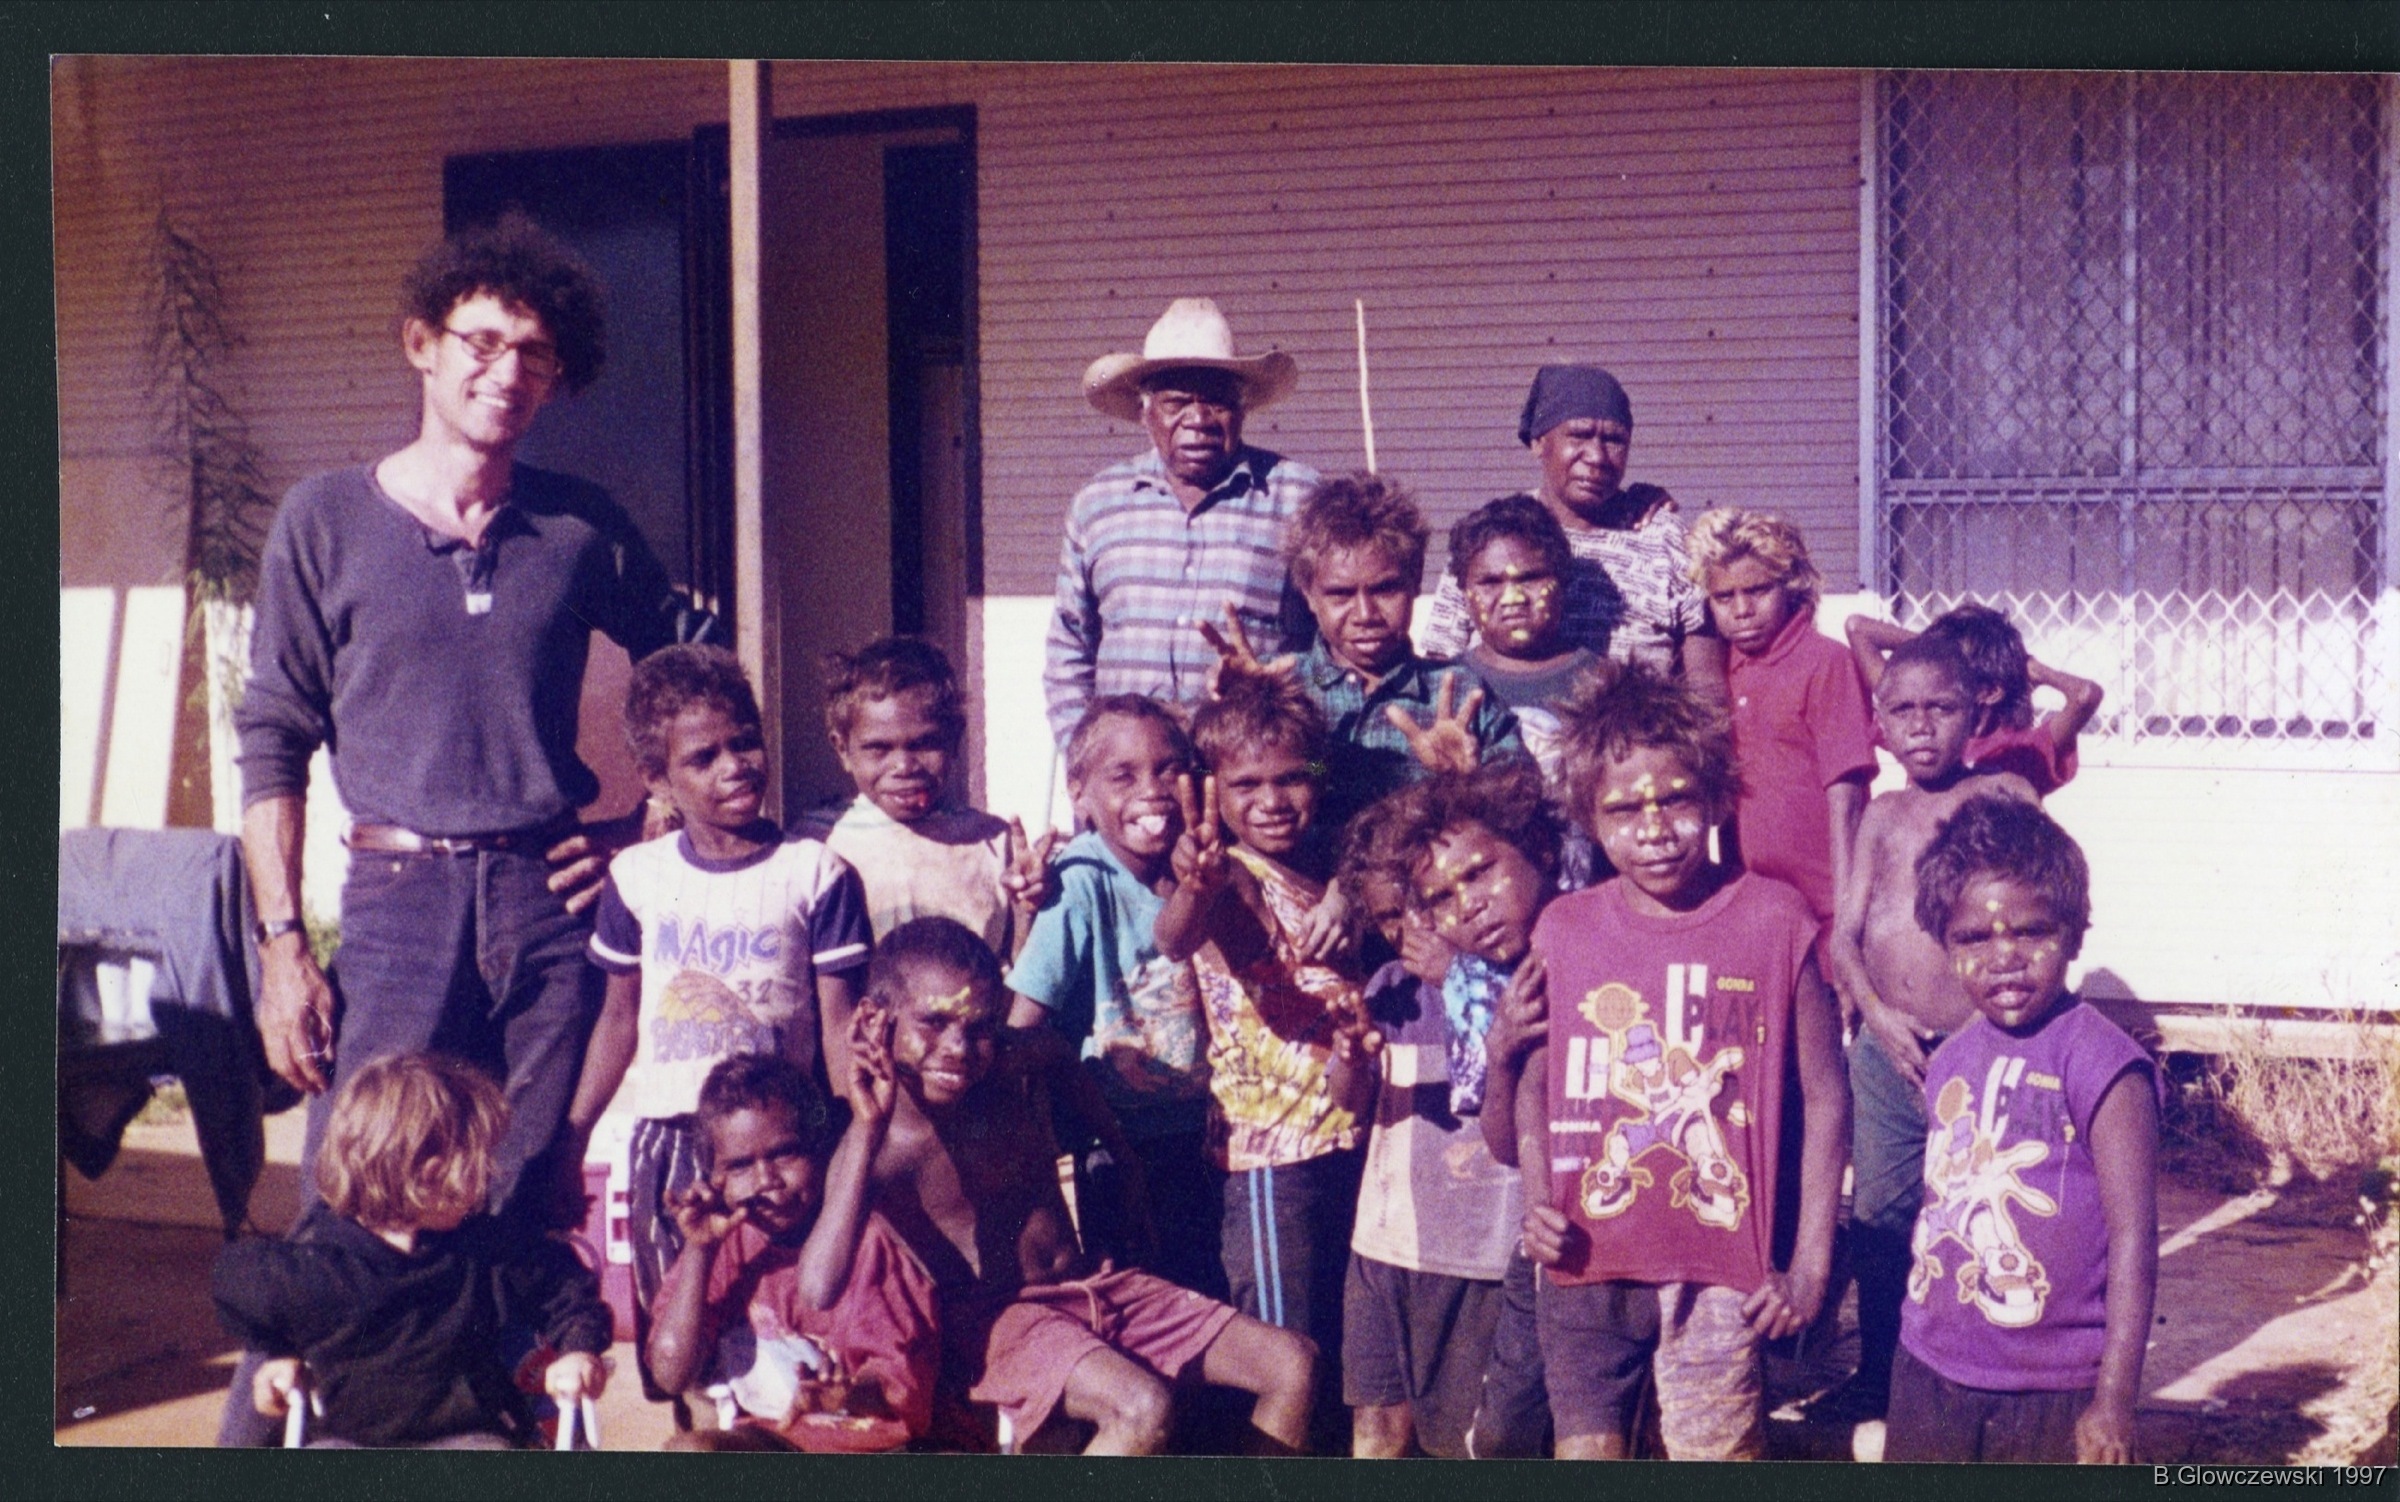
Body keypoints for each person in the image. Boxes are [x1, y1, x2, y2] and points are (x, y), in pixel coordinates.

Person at [234, 214, 710, 1226]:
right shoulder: (324, 521)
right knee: (355, 1198)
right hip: (397, 903)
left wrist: (648, 823)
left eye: (535, 354)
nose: (508, 373)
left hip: (547, 904)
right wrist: (281, 948)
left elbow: (695, 667)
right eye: (483, 342)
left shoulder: (578, 528)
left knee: (522, 1198)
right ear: (423, 343)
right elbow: (273, 737)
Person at [1486, 667, 1847, 1460]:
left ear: (1716, 799)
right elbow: (1538, 1088)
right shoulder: (1564, 929)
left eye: (1676, 800)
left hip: (1722, 1270)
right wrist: (1539, 1199)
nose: (1654, 829)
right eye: (1623, 809)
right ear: (1589, 816)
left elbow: (1827, 1099)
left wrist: (1810, 1266)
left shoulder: (1774, 918)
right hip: (1584, 1262)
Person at [803, 918, 1321, 1455]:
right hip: (998, 1323)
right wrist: (867, 1124)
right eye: (933, 1023)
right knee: (1141, 1408)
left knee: (1293, 1365)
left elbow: (1056, 1052)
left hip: (1092, 1287)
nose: (958, 1046)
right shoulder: (877, 1143)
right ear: (874, 1019)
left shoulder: (1003, 1065)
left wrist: (1125, 1160)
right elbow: (818, 1288)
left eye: (978, 1026)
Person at [562, 644, 874, 1398]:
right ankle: (696, 1445)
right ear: (657, 780)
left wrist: (853, 1137)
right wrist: (573, 1134)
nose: (734, 766)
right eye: (703, 758)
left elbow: (838, 1026)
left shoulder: (816, 872)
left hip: (779, 1144)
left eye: (745, 742)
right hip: (672, 1145)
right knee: (683, 1341)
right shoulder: (637, 878)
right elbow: (617, 1021)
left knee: (781, 1328)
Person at [1885, 798, 2157, 1465]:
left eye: (2031, 932)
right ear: (1944, 946)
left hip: (2053, 1390)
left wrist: (2115, 1399)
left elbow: (2134, 1239)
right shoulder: (1949, 1061)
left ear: (2074, 934)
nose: (2004, 957)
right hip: (1929, 1371)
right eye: (1974, 939)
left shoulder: (2105, 1066)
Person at [1819, 634, 2038, 1421]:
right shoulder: (1881, 815)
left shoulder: (2007, 796)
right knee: (1882, 1216)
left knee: (1985, 1212)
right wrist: (1878, 1018)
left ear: (1974, 713)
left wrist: (1992, 1026)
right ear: (1878, 724)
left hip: (1985, 1050)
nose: (1921, 725)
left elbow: (2037, 917)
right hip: (1890, 1056)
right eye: (1903, 710)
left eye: (1940, 708)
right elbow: (1844, 938)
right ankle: (1880, 1374)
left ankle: (1986, 1376)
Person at [211, 1053, 611, 1448]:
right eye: (475, 1165)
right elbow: (237, 1283)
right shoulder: (324, 1258)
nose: (486, 1178)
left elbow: (564, 1285)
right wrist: (278, 1353)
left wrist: (578, 1349)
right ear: (427, 1172)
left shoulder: (481, 1247)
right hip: (346, 1438)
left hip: (465, 1433)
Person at [1156, 680, 1368, 1419]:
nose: (1271, 801)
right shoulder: (1229, 876)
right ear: (1212, 790)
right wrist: (1193, 886)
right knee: (1288, 1357)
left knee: (1341, 1360)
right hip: (1272, 1159)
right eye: (1245, 785)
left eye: (1291, 780)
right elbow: (1175, 936)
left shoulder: (1332, 874)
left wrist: (1346, 887)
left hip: (1351, 1141)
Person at [1337, 764, 1562, 1459]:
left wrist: (1455, 976)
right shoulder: (1388, 989)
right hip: (1386, 1242)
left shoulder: (1519, 971)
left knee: (1467, 1439)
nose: (1419, 928)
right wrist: (1349, 1056)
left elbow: (1513, 1087)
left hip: (1480, 1253)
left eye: (1423, 907)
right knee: (1379, 1426)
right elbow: (1349, 1107)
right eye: (1393, 917)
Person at [1005, 695, 1221, 1297]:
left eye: (1169, 769)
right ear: (1079, 794)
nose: (1152, 791)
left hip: (1205, 1132)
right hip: (1116, 1145)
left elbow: (1315, 769)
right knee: (1137, 1295)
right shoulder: (1079, 882)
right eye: (1122, 776)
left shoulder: (1207, 863)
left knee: (1206, 1290)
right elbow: (1023, 1023)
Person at [1046, 297, 1318, 744]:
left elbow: (1330, 649)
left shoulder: (1298, 498)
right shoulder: (1097, 504)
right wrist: (1085, 759)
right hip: (1132, 771)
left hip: (1249, 764)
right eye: (1176, 403)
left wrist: (1309, 760)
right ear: (1145, 412)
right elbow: (1069, 647)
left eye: (1217, 403)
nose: (1199, 420)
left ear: (1242, 410)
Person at [647, 1054, 939, 1453]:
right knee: (689, 1452)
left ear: (819, 1150)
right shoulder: (724, 1244)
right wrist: (700, 1250)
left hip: (870, 1449)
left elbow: (904, 1386)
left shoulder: (868, 1244)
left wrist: (847, 1395)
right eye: (740, 1166)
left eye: (784, 1154)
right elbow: (670, 1374)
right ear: (713, 1178)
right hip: (771, 1441)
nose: (766, 1180)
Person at [1222, 473, 1522, 844]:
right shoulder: (1279, 685)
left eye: (1384, 590)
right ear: (1308, 594)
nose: (1365, 614)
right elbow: (1213, 780)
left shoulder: (1461, 695)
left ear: (1415, 582)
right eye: (1340, 594)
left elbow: (1524, 810)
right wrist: (1241, 708)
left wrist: (1464, 783)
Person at [1419, 364, 1724, 700]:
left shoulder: (1663, 539)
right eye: (1579, 435)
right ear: (1539, 442)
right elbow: (1439, 671)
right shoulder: (1493, 539)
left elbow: (1705, 685)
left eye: (1614, 440)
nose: (1597, 457)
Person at [794, 635, 1053, 956]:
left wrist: (1029, 908)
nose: (904, 766)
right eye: (879, 748)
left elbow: (1019, 963)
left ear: (954, 741)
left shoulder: (994, 844)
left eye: (924, 744)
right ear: (843, 749)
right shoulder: (816, 844)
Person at [1687, 507, 1877, 926]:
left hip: (1825, 903)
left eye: (1758, 591)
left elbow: (1846, 795)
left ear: (1790, 587)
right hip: (1753, 904)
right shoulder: (1719, 671)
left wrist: (1847, 914)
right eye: (1724, 597)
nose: (1742, 609)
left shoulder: (1825, 662)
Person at [1847, 604, 2104, 799]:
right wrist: (1935, 649)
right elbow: (1858, 628)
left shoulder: (2023, 750)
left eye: (1952, 672)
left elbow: (2085, 695)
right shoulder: (1927, 728)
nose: (1936, 681)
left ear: (1989, 692)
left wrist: (2032, 668)